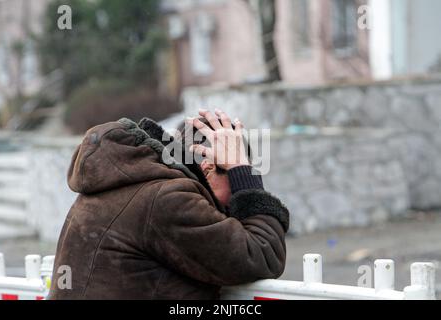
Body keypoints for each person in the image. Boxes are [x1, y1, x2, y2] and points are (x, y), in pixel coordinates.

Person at [48, 109, 290, 299]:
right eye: (234, 181)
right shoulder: (168, 199)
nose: (235, 201)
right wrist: (244, 172)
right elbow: (262, 256)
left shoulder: (131, 182)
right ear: (207, 166)